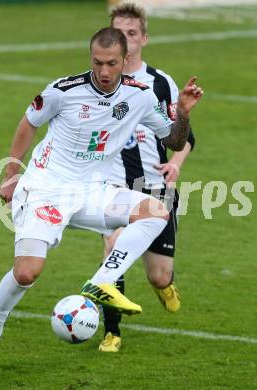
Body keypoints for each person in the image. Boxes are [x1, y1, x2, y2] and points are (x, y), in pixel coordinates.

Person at [0, 26, 203, 374]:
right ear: (90, 58)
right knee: (27, 272)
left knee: (155, 212)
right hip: (45, 188)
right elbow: (28, 123)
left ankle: (104, 280)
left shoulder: (140, 94)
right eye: (98, 63)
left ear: (125, 60)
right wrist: (12, 172)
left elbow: (176, 140)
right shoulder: (63, 91)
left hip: (93, 190)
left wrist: (182, 111)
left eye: (112, 63)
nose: (104, 72)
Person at [98, 3, 196, 353]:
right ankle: (112, 331)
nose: (124, 39)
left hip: (155, 190)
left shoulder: (160, 83)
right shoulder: (100, 80)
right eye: (118, 33)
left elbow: (186, 138)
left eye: (131, 33)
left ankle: (165, 284)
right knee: (113, 247)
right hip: (113, 188)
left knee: (158, 274)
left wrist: (176, 165)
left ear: (143, 39)